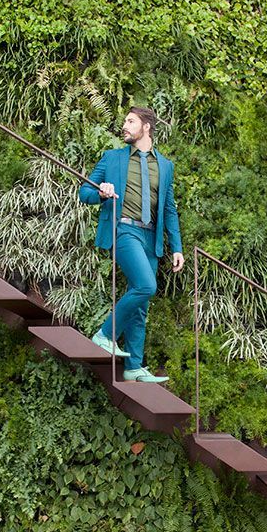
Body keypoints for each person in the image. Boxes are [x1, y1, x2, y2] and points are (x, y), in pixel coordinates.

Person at [78, 106, 184, 383]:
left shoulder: (165, 166)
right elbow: (84, 192)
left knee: (141, 303)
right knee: (147, 286)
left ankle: (135, 367)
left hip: (151, 237)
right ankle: (104, 334)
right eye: (124, 121)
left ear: (146, 126)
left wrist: (177, 247)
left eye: (130, 121)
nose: (124, 125)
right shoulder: (112, 158)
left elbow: (169, 208)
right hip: (123, 229)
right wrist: (101, 193)